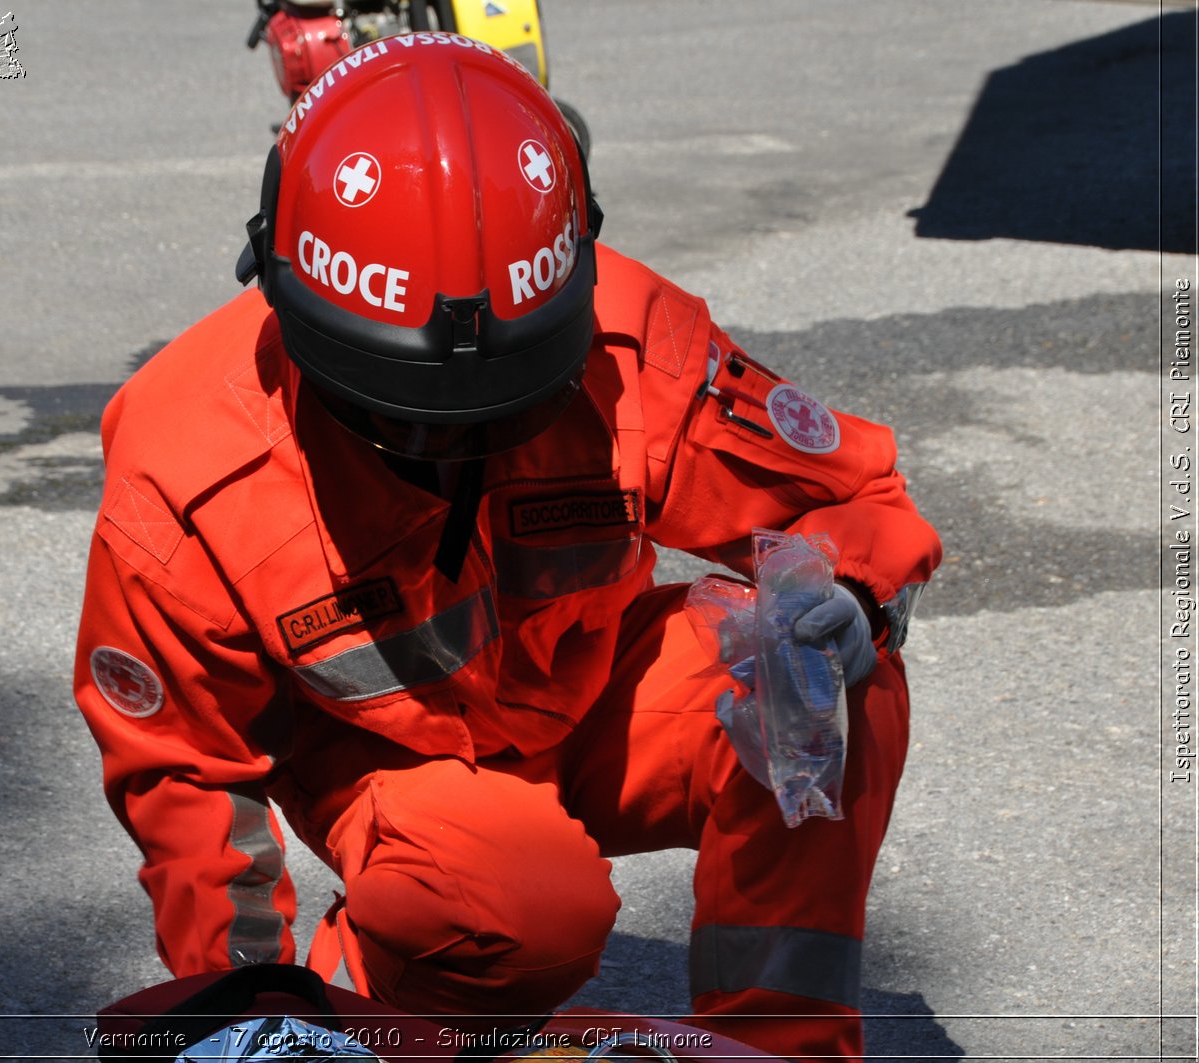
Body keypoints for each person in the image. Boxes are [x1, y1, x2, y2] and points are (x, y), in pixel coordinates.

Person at [74, 35, 940, 1063]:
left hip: (590, 692)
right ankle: (369, 999)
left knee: (830, 681)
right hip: (394, 760)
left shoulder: (629, 334)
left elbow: (850, 493)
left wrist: (844, 583)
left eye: (504, 406)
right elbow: (187, 776)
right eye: (397, 417)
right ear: (285, 296)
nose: (454, 444)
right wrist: (245, 1016)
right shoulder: (186, 463)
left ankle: (777, 1051)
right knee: (515, 911)